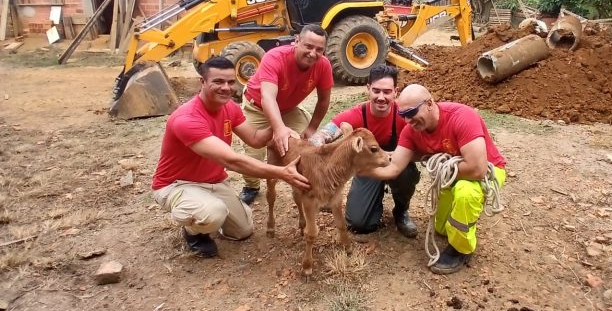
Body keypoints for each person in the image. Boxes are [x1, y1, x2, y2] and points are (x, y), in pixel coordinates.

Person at [151, 57, 310, 258]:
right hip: (177, 184)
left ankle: (207, 213)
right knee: (213, 213)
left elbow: (254, 139)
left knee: (243, 230)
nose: (226, 88)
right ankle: (193, 232)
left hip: (213, 182)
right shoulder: (187, 119)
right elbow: (232, 161)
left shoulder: (229, 108)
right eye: (218, 82)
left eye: (230, 82)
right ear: (202, 82)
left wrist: (279, 128)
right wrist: (282, 173)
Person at [360, 84, 507, 274]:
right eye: (403, 115)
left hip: (487, 171)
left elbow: (477, 169)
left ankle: (461, 250)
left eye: (412, 112)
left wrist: (444, 168)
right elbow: (394, 167)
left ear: (429, 103)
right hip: (450, 176)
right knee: (442, 229)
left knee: (465, 193)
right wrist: (360, 170)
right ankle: (459, 223)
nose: (408, 120)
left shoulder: (462, 117)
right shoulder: (411, 130)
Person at [309, 65, 420, 237]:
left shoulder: (404, 114)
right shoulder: (357, 114)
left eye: (387, 92)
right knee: (358, 224)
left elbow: (424, 141)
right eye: (376, 91)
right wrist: (318, 144)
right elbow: (324, 133)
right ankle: (372, 203)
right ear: (368, 89)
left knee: (407, 172)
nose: (381, 97)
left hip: (398, 164)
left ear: (395, 92)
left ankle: (401, 211)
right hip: (369, 171)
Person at [239, 24, 334, 205]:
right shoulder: (274, 57)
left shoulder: (323, 66)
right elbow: (268, 97)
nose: (313, 53)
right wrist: (279, 128)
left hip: (288, 109)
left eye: (319, 49)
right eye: (308, 46)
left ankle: (310, 187)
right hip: (257, 106)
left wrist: (312, 127)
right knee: (254, 154)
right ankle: (251, 186)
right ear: (296, 41)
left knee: (307, 146)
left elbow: (323, 101)